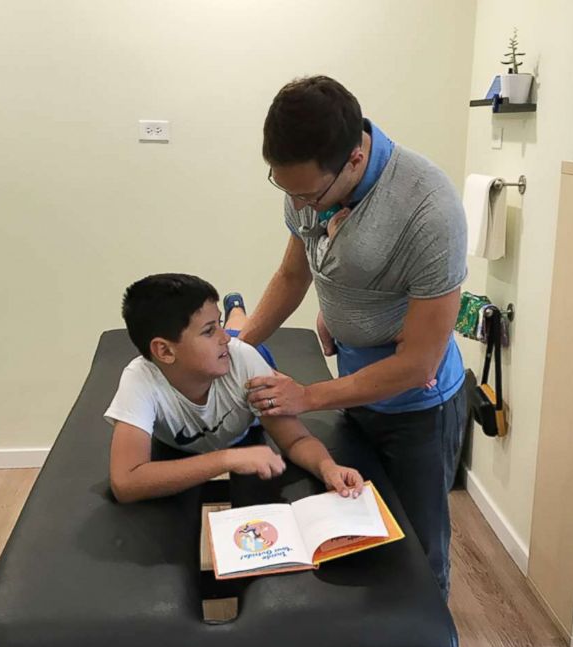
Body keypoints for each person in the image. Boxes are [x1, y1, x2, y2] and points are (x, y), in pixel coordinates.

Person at [238, 76, 468, 600]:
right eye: (285, 188)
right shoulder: (308, 188)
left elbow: (417, 363)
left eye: (307, 193)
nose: (299, 204)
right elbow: (293, 277)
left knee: (420, 550)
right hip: (358, 384)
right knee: (368, 532)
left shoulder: (430, 211)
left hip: (419, 406)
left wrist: (308, 396)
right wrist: (234, 349)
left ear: (355, 160)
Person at [104, 273, 363, 503]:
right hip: (210, 409)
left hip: (246, 369)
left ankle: (235, 310)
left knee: (241, 335)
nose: (222, 338)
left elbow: (295, 439)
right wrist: (227, 459)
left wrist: (327, 467)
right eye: (208, 331)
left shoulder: (242, 359)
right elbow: (126, 482)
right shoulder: (140, 380)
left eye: (217, 325)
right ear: (164, 350)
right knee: (236, 336)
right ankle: (234, 314)